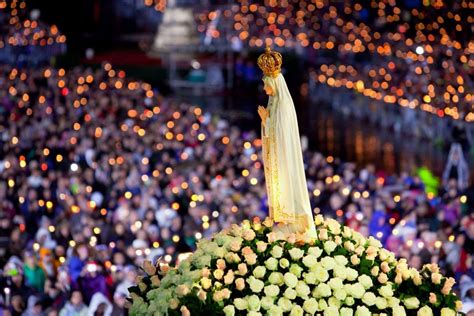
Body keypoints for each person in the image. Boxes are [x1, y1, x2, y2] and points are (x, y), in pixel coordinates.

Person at [257, 46, 317, 239]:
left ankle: (291, 219)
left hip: (283, 156)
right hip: (277, 156)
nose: (265, 89)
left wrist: (266, 121)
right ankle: (283, 219)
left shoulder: (282, 104)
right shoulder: (273, 101)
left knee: (284, 185)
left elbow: (281, 134)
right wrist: (266, 121)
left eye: (267, 85)